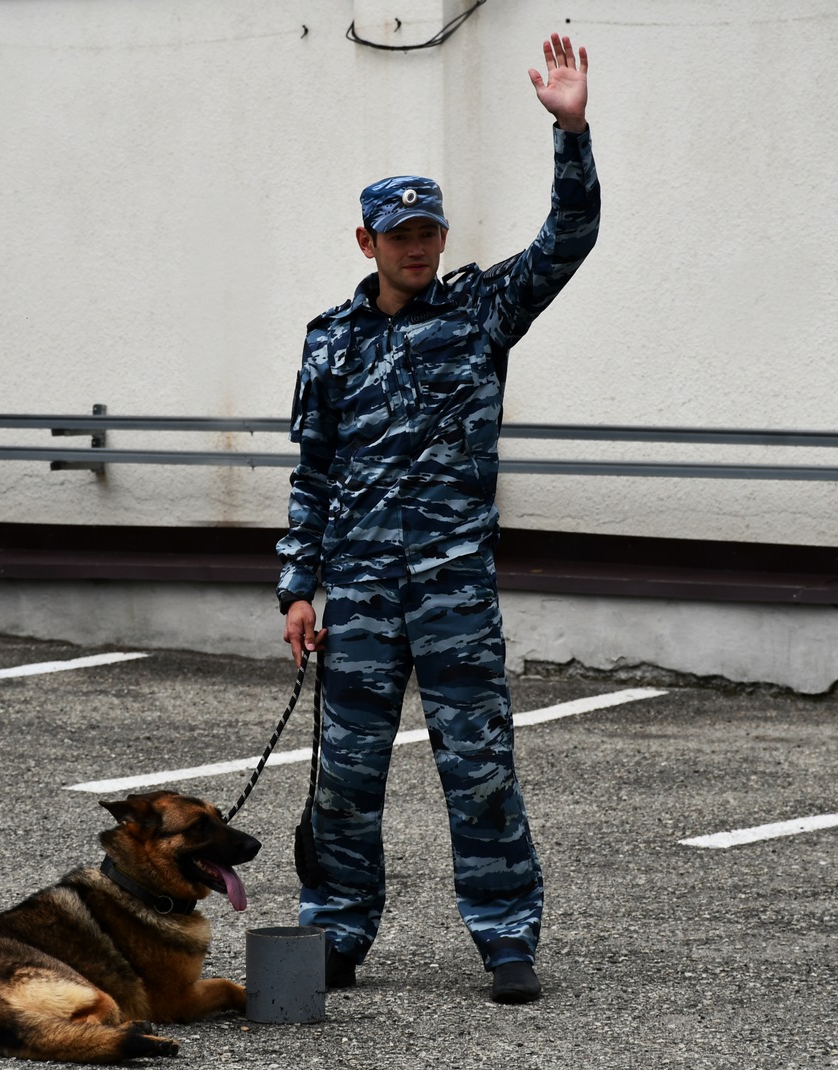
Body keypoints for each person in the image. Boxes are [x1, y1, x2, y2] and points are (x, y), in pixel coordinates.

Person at [275, 34, 599, 1005]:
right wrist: (299, 585)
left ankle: (505, 937)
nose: (418, 246)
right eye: (399, 233)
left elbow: (567, 240)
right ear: (365, 241)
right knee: (341, 781)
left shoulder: (480, 314)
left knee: (479, 767)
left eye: (430, 230)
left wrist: (571, 133)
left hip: (454, 587)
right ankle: (333, 932)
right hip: (363, 592)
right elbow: (313, 468)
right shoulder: (327, 344)